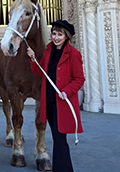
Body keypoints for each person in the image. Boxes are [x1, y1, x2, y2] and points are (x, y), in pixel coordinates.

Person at [26, 19, 85, 172]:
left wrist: (67, 91)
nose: (56, 37)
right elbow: (40, 72)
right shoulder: (48, 51)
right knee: (58, 139)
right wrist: (33, 59)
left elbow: (79, 79)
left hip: (63, 104)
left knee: (59, 140)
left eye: (60, 34)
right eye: (54, 34)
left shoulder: (74, 54)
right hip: (49, 103)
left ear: (66, 37)